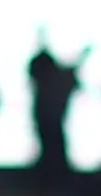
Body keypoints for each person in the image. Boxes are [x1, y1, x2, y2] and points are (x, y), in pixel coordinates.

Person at [27, 39, 82, 176]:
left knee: (53, 144)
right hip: (46, 114)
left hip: (50, 115)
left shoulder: (50, 81)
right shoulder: (46, 83)